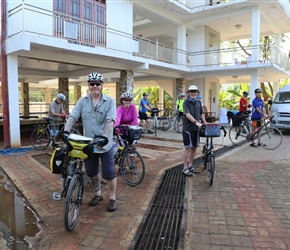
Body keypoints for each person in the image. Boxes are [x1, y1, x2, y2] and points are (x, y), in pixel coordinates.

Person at [64, 72, 117, 212]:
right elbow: (73, 116)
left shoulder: (110, 101)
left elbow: (110, 121)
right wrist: (65, 131)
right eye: (92, 84)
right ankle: (98, 193)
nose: (95, 86)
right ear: (88, 85)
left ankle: (112, 197)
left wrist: (104, 136)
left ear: (102, 86)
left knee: (109, 173)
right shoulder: (83, 101)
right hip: (89, 145)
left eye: (97, 84)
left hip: (105, 144)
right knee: (92, 171)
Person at [182, 85, 207, 176]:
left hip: (196, 129)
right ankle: (185, 167)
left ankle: (191, 165)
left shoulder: (198, 103)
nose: (193, 93)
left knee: (194, 147)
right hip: (187, 129)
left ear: (197, 93)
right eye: (191, 92)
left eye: (195, 92)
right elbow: (187, 115)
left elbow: (201, 114)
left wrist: (205, 123)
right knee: (188, 148)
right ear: (189, 93)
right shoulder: (186, 103)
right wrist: (195, 121)